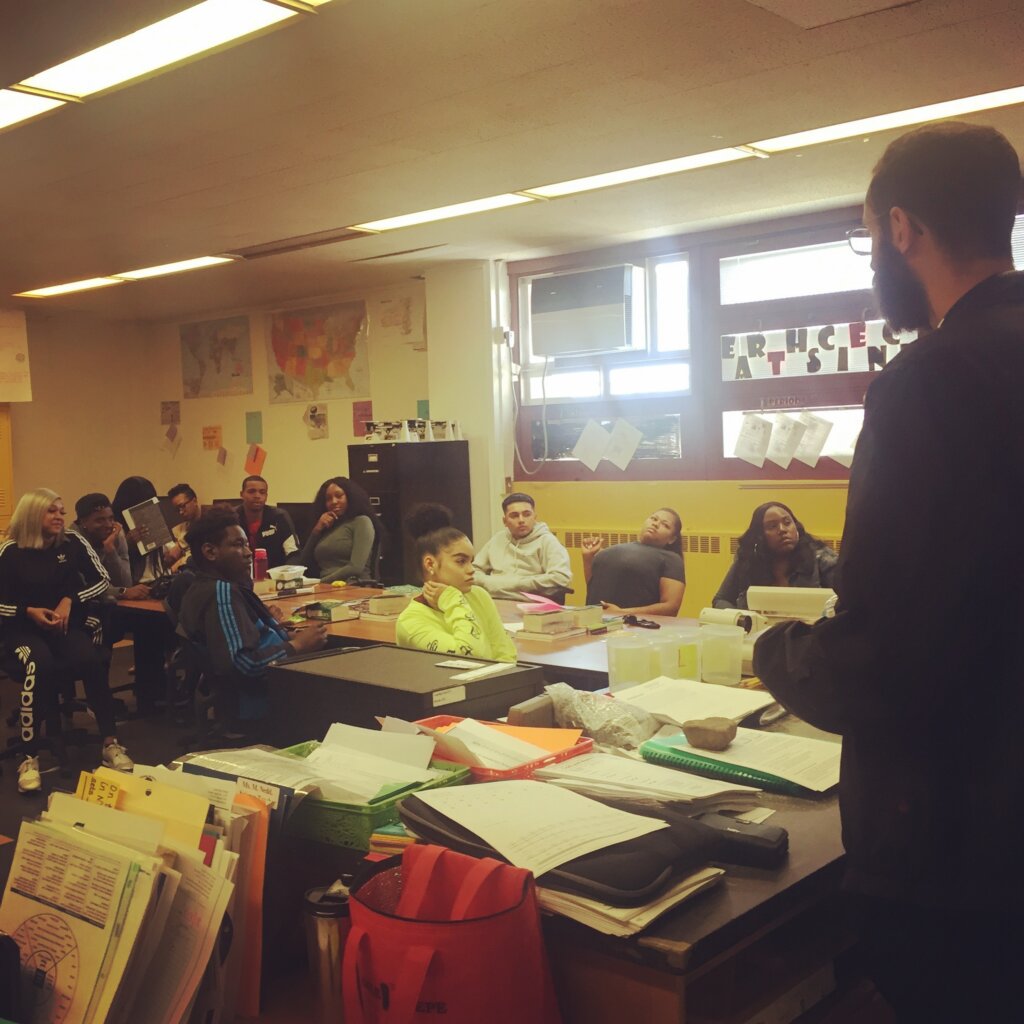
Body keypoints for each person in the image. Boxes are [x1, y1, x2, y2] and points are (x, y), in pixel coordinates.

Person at [753, 123, 1024, 1022]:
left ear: (901, 229)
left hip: (966, 850)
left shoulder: (932, 382)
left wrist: (779, 653)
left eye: (871, 236)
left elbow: (887, 651)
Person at [0, 489, 134, 792]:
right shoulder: (10, 551)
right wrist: (29, 611)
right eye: (51, 511)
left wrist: (69, 600)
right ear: (33, 515)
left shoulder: (73, 543)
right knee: (39, 664)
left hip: (63, 626)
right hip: (22, 630)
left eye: (61, 510)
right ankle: (29, 756)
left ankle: (111, 743)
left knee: (91, 660)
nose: (60, 516)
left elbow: (101, 582)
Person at [175, 507, 328, 736]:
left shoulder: (208, 586)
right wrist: (297, 645)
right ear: (210, 551)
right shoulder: (221, 593)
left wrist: (284, 636)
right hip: (260, 707)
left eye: (246, 544)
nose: (248, 552)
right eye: (238, 545)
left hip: (258, 695)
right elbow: (242, 665)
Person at [397, 504, 517, 662]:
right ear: (430, 564)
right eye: (461, 561)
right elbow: (470, 658)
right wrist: (452, 600)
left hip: (496, 684)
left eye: (471, 561)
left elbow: (506, 654)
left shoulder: (478, 595)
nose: (471, 570)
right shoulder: (410, 622)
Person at [713, 502, 837, 609]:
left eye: (787, 522)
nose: (782, 529)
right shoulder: (748, 561)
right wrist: (743, 619)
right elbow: (721, 600)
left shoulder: (822, 559)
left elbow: (848, 602)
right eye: (772, 526)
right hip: (758, 633)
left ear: (797, 528)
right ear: (759, 536)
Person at [582, 508, 685, 616]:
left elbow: (671, 607)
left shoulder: (671, 559)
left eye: (665, 525)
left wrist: (622, 613)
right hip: (592, 621)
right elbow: (595, 587)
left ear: (672, 539)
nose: (655, 524)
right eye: (654, 519)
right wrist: (588, 558)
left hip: (633, 627)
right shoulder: (616, 549)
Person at [473, 492, 572, 600]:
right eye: (514, 516)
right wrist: (489, 582)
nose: (521, 520)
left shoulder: (547, 541)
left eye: (527, 514)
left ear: (535, 517)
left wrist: (513, 584)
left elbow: (561, 578)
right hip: (492, 601)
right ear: (505, 521)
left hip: (530, 603)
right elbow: (473, 570)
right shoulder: (498, 539)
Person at [291, 476, 377, 583]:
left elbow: (355, 568)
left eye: (339, 496)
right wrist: (316, 530)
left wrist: (320, 583)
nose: (334, 501)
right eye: (328, 499)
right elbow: (303, 564)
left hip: (353, 586)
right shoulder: (327, 527)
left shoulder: (361, 522)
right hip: (327, 589)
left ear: (350, 496)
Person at [68, 493, 151, 602]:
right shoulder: (71, 540)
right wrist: (122, 592)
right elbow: (86, 587)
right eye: (99, 520)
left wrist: (110, 549)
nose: (108, 525)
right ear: (83, 522)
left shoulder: (115, 534)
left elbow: (125, 583)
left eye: (111, 518)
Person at [111, 476, 172, 585]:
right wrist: (126, 545)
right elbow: (109, 568)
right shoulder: (113, 528)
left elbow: (167, 557)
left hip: (159, 582)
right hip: (132, 586)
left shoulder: (155, 520)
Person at [234, 475, 299, 569]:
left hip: (275, 575)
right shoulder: (232, 517)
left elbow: (293, 553)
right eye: (251, 491)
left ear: (266, 496)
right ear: (241, 494)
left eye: (262, 492)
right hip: (239, 575)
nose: (257, 496)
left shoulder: (279, 517)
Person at [165, 482, 201, 572]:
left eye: (182, 506)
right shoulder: (179, 530)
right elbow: (170, 559)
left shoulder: (212, 523)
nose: (181, 512)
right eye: (177, 509)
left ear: (194, 501)